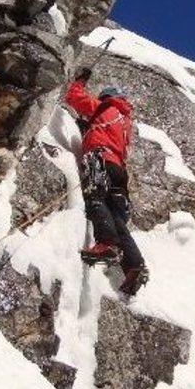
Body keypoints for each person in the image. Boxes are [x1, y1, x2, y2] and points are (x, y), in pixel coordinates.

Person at [64, 67, 148, 297]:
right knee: (117, 217)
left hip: (101, 158)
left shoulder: (104, 108)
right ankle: (134, 265)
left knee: (94, 196)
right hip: (119, 169)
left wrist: (79, 82)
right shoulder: (125, 121)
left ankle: (107, 243)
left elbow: (73, 97)